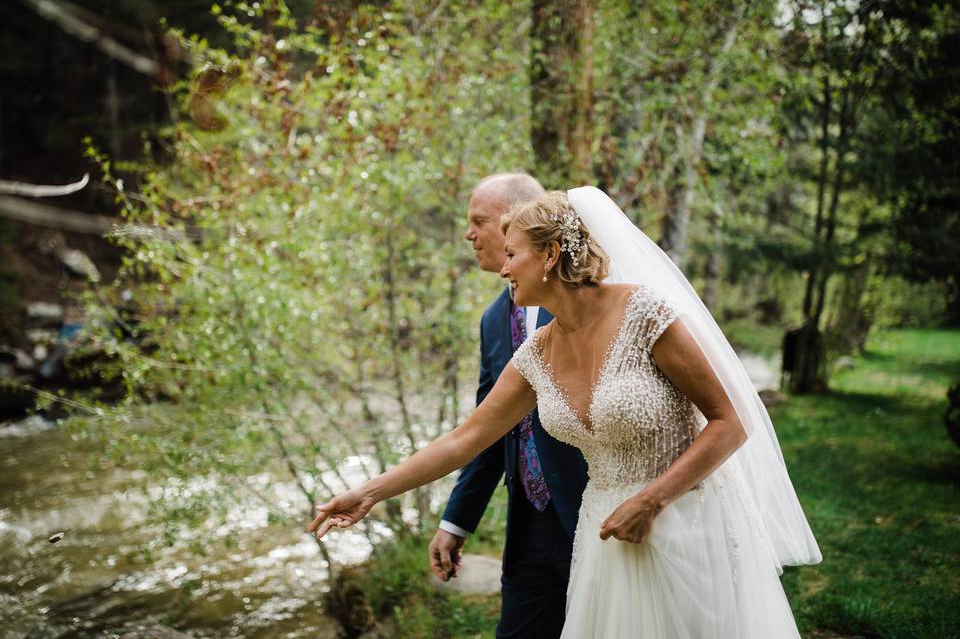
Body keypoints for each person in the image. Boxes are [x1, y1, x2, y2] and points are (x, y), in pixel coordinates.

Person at [309, 187, 821, 638]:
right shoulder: (536, 353)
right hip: (603, 536)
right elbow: (465, 439)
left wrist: (652, 500)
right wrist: (368, 492)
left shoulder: (647, 313)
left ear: (551, 255)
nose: (504, 268)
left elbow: (732, 422)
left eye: (513, 255)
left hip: (687, 521)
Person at [432, 173, 588, 639]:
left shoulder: (589, 302)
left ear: (514, 223)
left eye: (478, 221)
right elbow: (488, 428)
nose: (469, 234)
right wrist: (456, 521)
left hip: (594, 513)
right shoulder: (494, 320)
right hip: (528, 524)